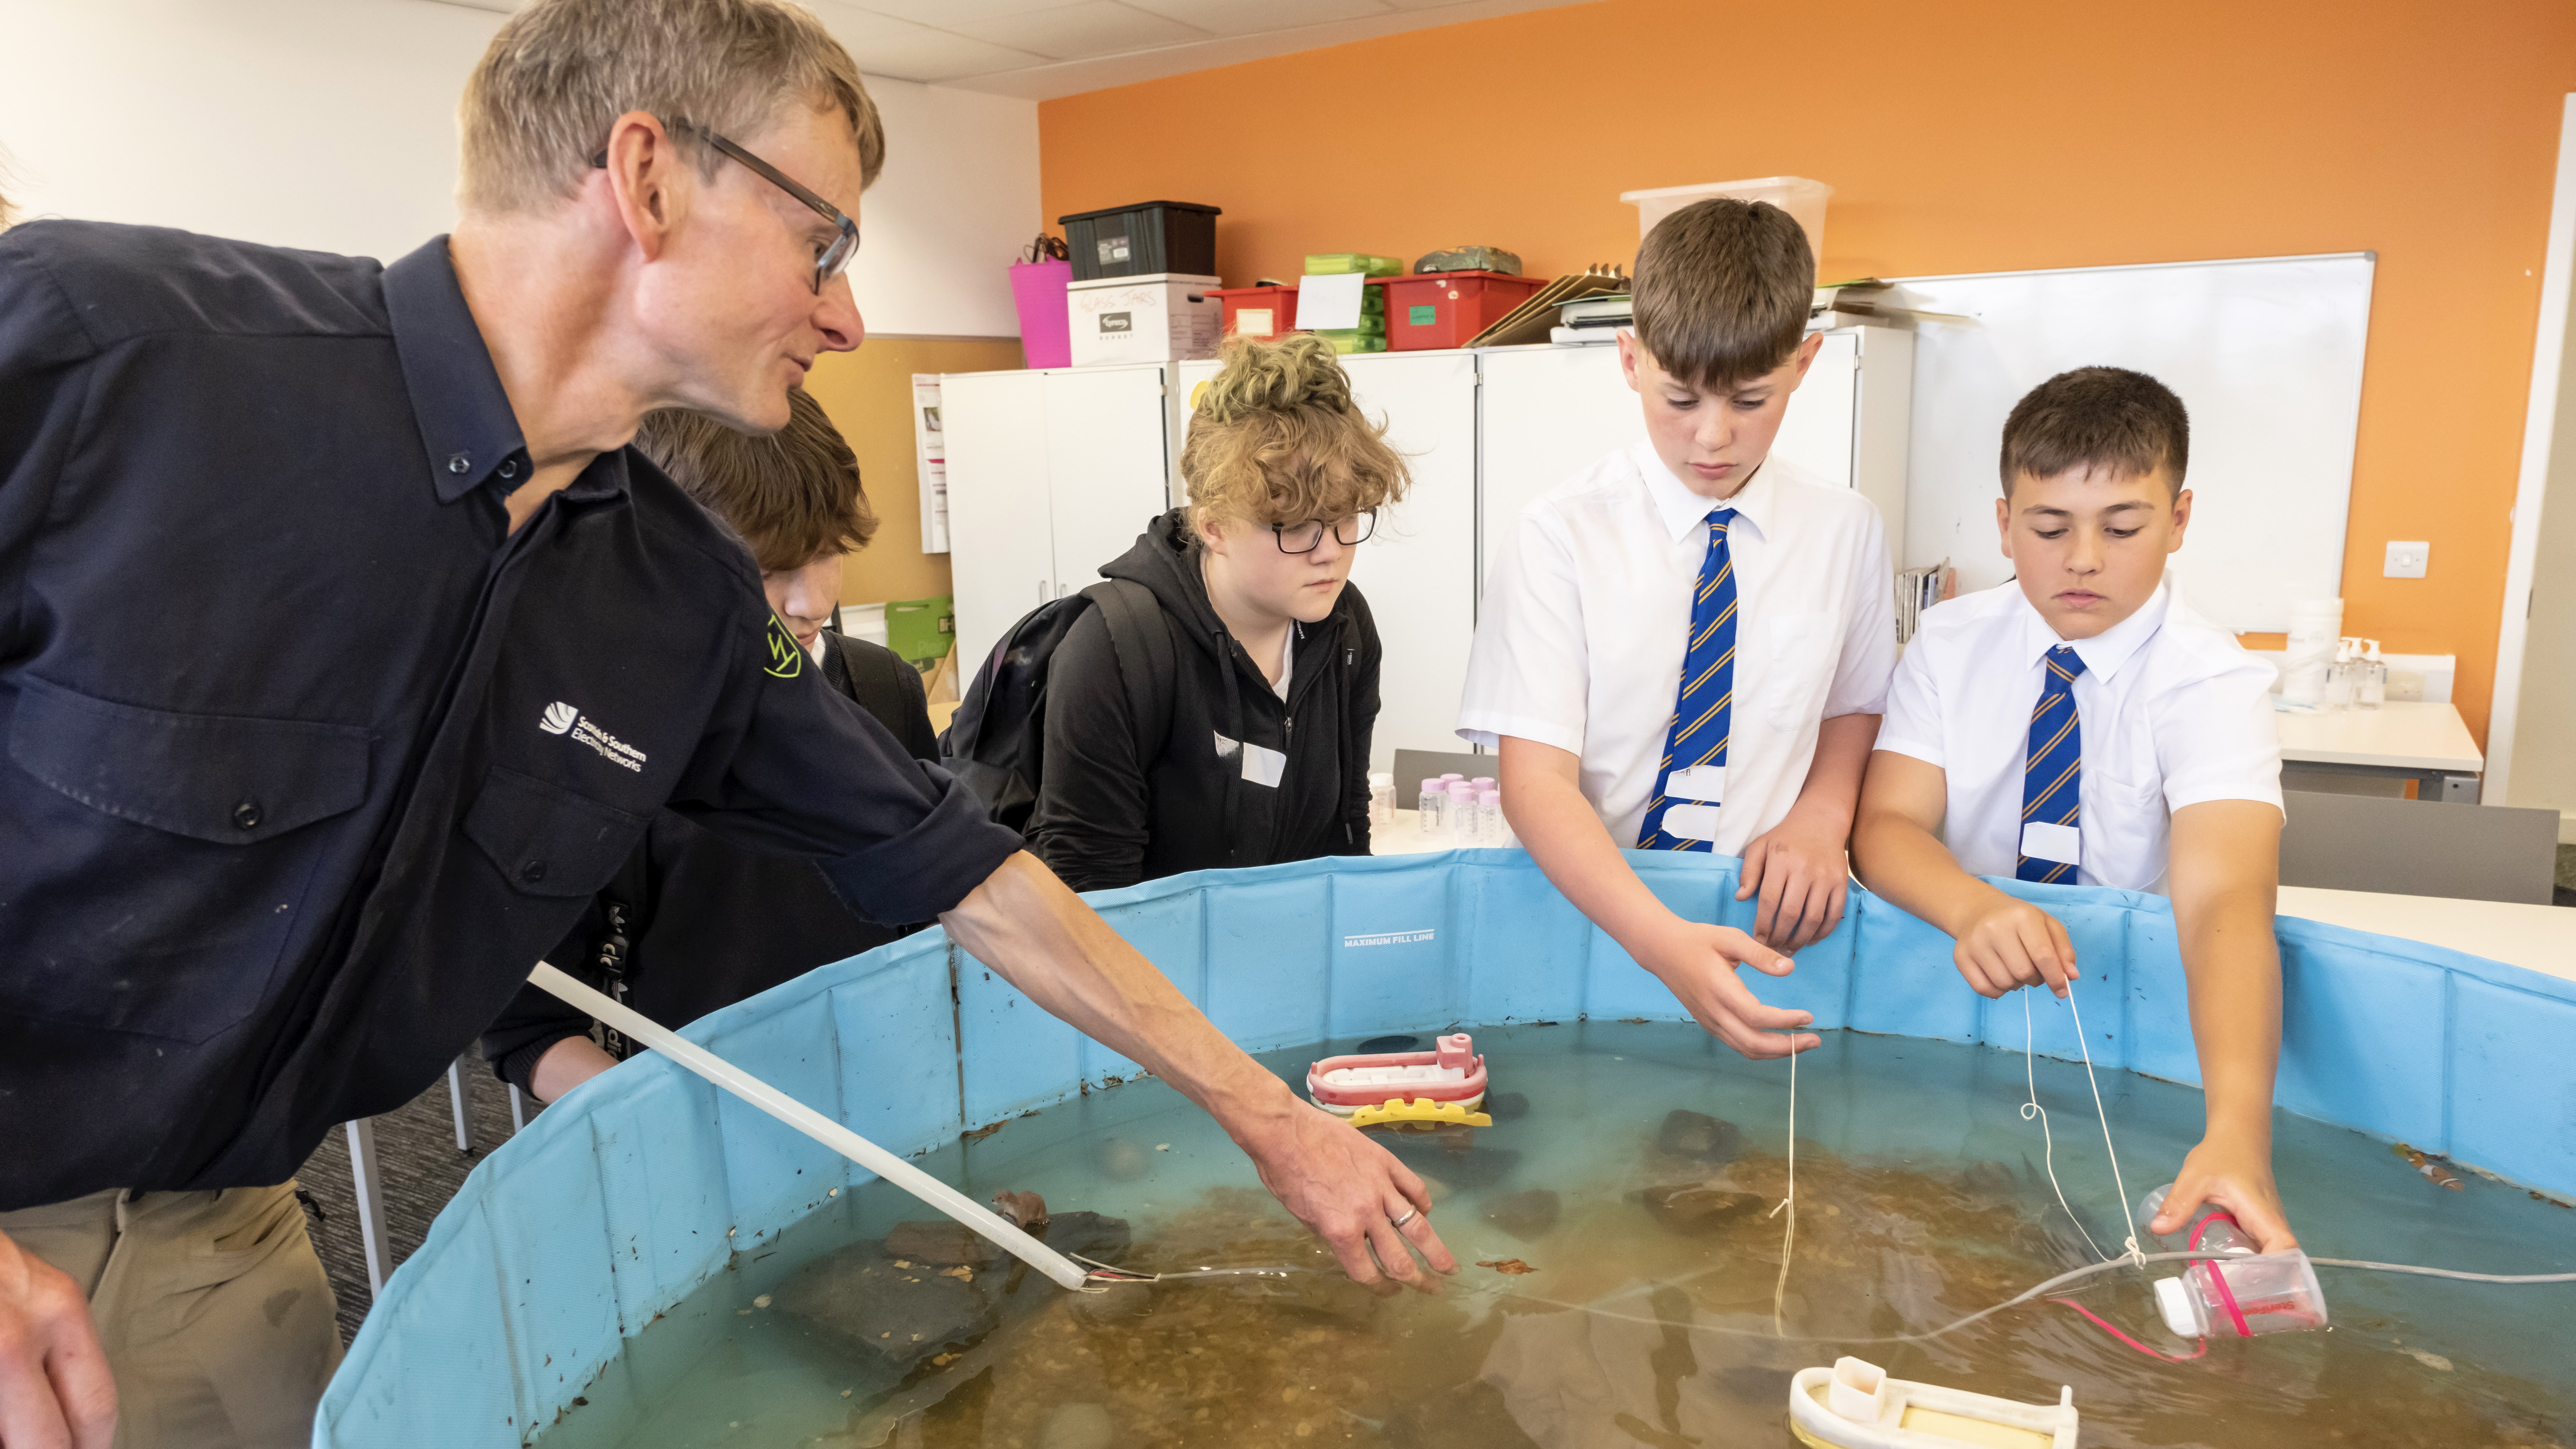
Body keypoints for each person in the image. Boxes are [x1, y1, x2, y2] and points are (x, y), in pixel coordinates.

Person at [0, 3, 1450, 1443]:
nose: (849, 316)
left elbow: (965, 871)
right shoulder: (106, 354)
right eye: (825, 243)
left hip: (217, 1240)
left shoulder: (675, 599)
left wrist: (1270, 1119)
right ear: (648, 181)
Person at [1850, 367, 2295, 1250]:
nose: (2083, 558)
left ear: (2180, 519)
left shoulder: (2214, 682)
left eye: (2123, 526)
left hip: (2130, 1017)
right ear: (2005, 523)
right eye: (2050, 527)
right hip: (1963, 1000)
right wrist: (1973, 906)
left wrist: (2238, 1131)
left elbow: (2225, 900)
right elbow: (1886, 826)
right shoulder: (1949, 644)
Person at [1458, 198, 1896, 1060]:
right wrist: (1659, 942)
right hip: (1593, 916)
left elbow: (1855, 708)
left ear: (1806, 363)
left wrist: (1819, 819)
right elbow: (1536, 781)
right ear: (1630, 359)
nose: (1713, 436)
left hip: (1760, 922)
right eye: (1681, 398)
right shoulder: (1560, 534)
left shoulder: (1846, 528)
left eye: (1751, 399)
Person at [482, 389, 944, 1103]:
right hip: (695, 1117)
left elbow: (929, 907)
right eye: (767, 568)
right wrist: (685, 1120)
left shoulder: (883, 689)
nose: (811, 601)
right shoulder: (586, 742)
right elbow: (531, 1027)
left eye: (827, 553)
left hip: (886, 1087)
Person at [1031, 334, 1401, 892]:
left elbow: (1346, 828)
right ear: (1213, 526)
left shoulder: (1345, 626)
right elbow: (1090, 886)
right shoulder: (1115, 649)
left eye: (1347, 518)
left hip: (1287, 947)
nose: (1331, 551)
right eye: (1295, 525)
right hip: (1151, 964)